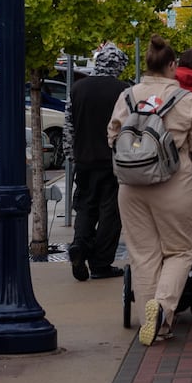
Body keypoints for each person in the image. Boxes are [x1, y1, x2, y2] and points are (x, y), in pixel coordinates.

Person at [108, 36, 192, 347]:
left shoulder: (127, 97)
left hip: (131, 187)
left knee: (143, 256)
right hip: (172, 183)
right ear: (171, 65)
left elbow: (113, 136)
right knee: (180, 251)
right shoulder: (184, 100)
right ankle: (163, 309)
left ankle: (150, 324)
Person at [65, 43, 129, 282]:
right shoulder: (124, 91)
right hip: (113, 161)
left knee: (85, 206)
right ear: (119, 65)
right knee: (110, 212)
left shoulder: (78, 88)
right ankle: (101, 263)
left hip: (84, 160)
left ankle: (79, 246)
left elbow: (68, 127)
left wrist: (73, 155)